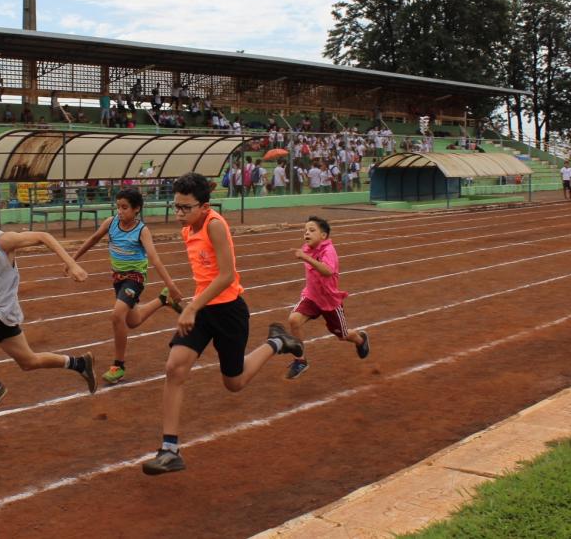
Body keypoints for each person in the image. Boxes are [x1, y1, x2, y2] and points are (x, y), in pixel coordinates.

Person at [141, 173, 304, 475]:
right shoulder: (187, 230)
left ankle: (277, 341)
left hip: (229, 312)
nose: (179, 213)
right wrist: (193, 305)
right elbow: (205, 276)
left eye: (185, 208)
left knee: (234, 383)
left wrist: (192, 306)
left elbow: (227, 275)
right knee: (174, 368)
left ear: (204, 206)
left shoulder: (215, 225)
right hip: (203, 310)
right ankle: (170, 450)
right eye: (176, 206)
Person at [0, 195, 96, 417]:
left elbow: (44, 236)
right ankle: (79, 363)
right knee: (29, 361)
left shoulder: (4, 241)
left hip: (3, 314)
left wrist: (72, 265)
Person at [68, 188, 184, 384]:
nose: (120, 211)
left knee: (117, 315)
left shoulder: (142, 231)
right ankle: (163, 299)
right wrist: (72, 260)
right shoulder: (111, 222)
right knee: (132, 320)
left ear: (136, 209)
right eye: (118, 207)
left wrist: (171, 284)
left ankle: (118, 366)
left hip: (135, 278)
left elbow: (154, 258)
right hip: (118, 278)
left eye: (125, 208)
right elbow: (94, 238)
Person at [284, 216, 370, 379]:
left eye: (311, 230)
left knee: (342, 335)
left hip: (330, 301)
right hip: (311, 296)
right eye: (305, 231)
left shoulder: (329, 251)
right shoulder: (306, 249)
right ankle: (300, 360)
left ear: (323, 235)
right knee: (294, 320)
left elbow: (327, 271)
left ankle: (360, 340)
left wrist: (306, 257)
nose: (306, 233)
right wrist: (306, 255)